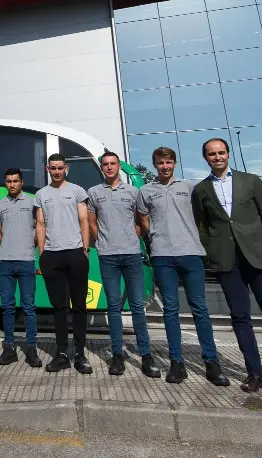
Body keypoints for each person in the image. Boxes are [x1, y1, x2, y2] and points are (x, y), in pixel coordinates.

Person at [192, 138, 262, 399]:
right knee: (240, 318)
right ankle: (255, 374)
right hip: (227, 261)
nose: (217, 157)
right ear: (205, 158)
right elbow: (205, 225)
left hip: (259, 258)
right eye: (211, 154)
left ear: (228, 154)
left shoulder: (250, 181)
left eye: (221, 152)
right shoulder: (201, 189)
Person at [136, 146, 229, 387]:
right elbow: (144, 221)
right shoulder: (146, 191)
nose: (164, 166)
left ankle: (211, 362)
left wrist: (185, 234)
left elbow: (198, 217)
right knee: (170, 310)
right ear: (155, 165)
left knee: (200, 309)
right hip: (162, 256)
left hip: (191, 254)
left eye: (168, 162)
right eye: (160, 163)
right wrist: (156, 237)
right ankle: (177, 363)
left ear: (174, 164)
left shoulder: (189, 188)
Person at [86, 152, 160, 378]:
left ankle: (146, 356)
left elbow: (141, 222)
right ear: (101, 168)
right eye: (105, 165)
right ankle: (117, 355)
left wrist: (131, 238)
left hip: (131, 256)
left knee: (137, 306)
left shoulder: (133, 192)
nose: (109, 168)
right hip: (107, 257)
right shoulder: (94, 192)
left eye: (113, 164)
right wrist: (103, 242)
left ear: (119, 166)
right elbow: (91, 222)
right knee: (114, 307)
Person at [35, 153, 92, 374]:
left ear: (65, 168)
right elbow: (40, 225)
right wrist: (42, 254)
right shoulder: (41, 194)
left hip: (76, 253)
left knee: (79, 306)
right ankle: (61, 354)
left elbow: (84, 220)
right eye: (53, 168)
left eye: (60, 168)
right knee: (59, 307)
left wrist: (85, 250)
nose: (57, 171)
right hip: (52, 255)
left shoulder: (77, 191)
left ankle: (79, 353)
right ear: (48, 169)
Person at [0, 168, 42, 368]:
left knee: (29, 307)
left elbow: (39, 229)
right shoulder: (0, 205)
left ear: (22, 182)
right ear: (5, 183)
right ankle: (9, 348)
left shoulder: (32, 202)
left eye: (15, 181)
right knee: (7, 308)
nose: (12, 184)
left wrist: (28, 247)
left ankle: (31, 348)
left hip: (26, 261)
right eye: (8, 181)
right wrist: (10, 246)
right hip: (5, 262)